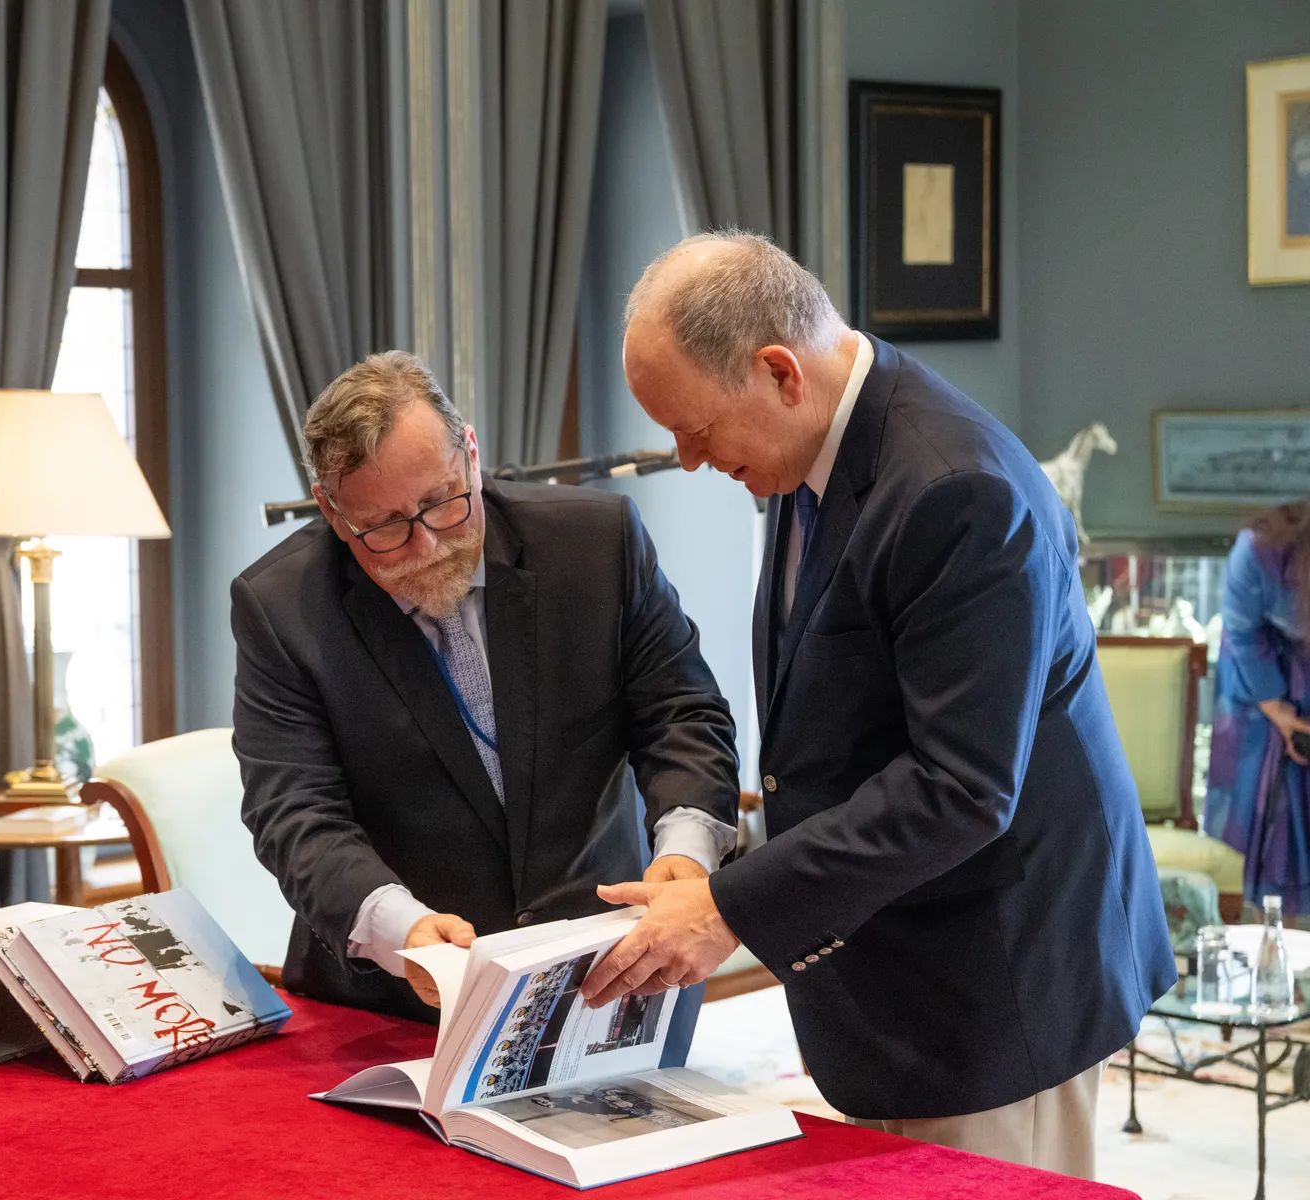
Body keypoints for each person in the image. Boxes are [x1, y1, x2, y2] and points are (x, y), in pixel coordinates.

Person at [582, 231, 1174, 1178]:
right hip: (895, 966)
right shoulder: (806, 446)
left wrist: (730, 909)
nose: (689, 461)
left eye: (695, 430)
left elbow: (962, 788)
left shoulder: (956, 489)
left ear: (779, 372)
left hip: (998, 979)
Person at [231, 350, 741, 1020]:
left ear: (470, 453)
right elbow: (294, 814)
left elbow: (681, 713)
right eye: (383, 527)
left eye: (441, 501)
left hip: (605, 965)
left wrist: (686, 855)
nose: (425, 545)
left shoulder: (596, 542)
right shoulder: (282, 607)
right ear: (331, 511)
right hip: (397, 999)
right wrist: (401, 929)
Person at [1204, 502, 1310, 919]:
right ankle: (1267, 921)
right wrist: (1279, 709)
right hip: (1256, 674)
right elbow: (1243, 632)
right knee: (1269, 792)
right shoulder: (1258, 552)